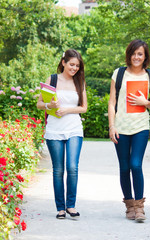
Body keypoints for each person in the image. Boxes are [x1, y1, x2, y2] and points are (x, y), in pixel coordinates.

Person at [108, 39, 150, 222]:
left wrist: (145, 103)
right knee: (124, 167)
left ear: (145, 56)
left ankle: (139, 208)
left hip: (141, 127)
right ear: (129, 54)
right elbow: (112, 102)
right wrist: (112, 126)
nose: (136, 57)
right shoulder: (119, 73)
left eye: (140, 54)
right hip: (121, 127)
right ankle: (129, 206)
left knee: (135, 165)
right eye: (134, 53)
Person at [36, 49, 87, 219]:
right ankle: (60, 208)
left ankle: (71, 205)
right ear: (63, 62)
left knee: (72, 167)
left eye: (77, 66)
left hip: (74, 128)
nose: (74, 68)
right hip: (54, 130)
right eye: (72, 64)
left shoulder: (79, 82)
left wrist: (67, 110)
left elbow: (84, 108)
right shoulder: (53, 79)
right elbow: (39, 104)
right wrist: (50, 105)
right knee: (58, 170)